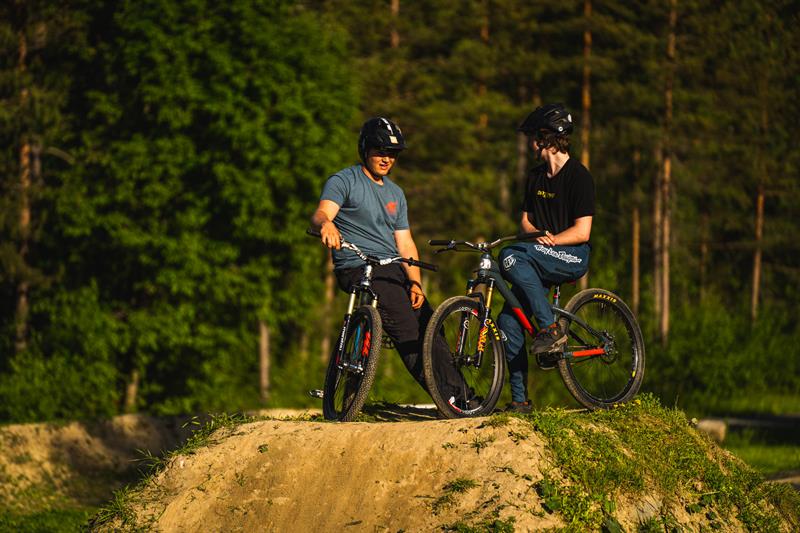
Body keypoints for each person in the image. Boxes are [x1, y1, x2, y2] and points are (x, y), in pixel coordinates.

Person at [310, 117, 471, 409]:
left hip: (394, 268)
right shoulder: (344, 180)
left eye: (393, 153)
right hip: (358, 265)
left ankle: (464, 395)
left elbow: (405, 243)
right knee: (409, 332)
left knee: (431, 324)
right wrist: (327, 226)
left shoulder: (396, 193)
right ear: (365, 149)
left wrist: (415, 282)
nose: (387, 158)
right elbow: (322, 213)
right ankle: (453, 400)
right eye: (380, 150)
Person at [496, 103, 595, 413]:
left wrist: (552, 240)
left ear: (547, 138)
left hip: (572, 255)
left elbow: (583, 232)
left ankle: (550, 330)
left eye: (533, 137)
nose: (529, 143)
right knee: (508, 320)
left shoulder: (579, 176)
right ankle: (520, 400)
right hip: (539, 254)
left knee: (509, 257)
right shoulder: (535, 177)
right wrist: (536, 233)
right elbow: (525, 222)